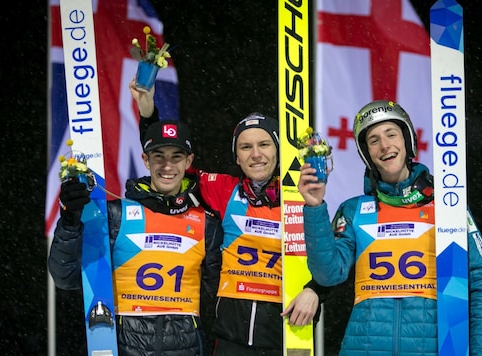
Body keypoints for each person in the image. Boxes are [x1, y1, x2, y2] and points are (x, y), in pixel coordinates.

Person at [130, 80, 331, 356]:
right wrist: (148, 114)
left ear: (278, 150)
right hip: (228, 339)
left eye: (264, 144)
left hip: (286, 335)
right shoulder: (224, 190)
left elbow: (330, 260)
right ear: (236, 156)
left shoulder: (302, 196)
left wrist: (316, 291)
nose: (256, 154)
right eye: (246, 147)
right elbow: (168, 163)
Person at [296, 99, 482, 355]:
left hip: (434, 347)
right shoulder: (354, 210)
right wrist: (315, 207)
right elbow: (328, 274)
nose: (384, 146)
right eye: (373, 140)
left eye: (391, 134)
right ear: (366, 154)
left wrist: (480, 352)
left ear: (408, 141)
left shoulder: (447, 205)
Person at [48, 119, 223, 355]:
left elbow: (223, 296)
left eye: (176, 157)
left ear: (188, 162)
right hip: (125, 347)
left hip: (186, 348)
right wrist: (69, 221)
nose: (167, 166)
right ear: (145, 160)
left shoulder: (206, 223)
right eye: (158, 156)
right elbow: (65, 277)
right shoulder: (116, 215)